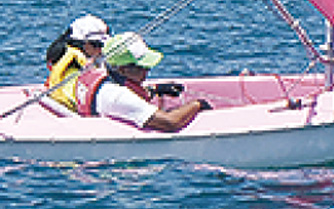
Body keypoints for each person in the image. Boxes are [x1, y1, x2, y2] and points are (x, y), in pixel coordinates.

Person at [76, 32, 210, 132]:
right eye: (143, 67)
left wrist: (155, 90)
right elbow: (171, 122)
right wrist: (197, 104)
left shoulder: (98, 71)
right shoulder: (117, 96)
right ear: (122, 69)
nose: (147, 71)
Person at [44, 14, 110, 111]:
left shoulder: (85, 62)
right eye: (96, 45)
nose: (101, 50)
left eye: (104, 45)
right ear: (82, 45)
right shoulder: (73, 70)